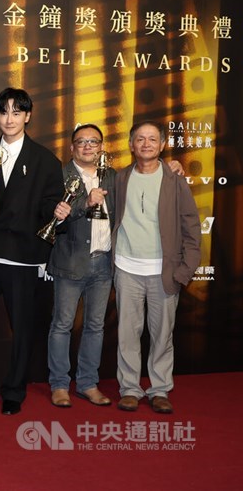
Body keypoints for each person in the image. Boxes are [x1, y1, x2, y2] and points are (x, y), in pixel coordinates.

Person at [0, 87, 62, 415]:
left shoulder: (45, 160)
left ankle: (14, 389)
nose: (9, 118)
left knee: (21, 328)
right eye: (3, 112)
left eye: (16, 112)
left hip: (24, 257)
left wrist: (59, 212)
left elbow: (51, 204)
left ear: (27, 116)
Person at [113, 121, 200, 414]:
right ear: (131, 144)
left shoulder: (174, 179)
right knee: (127, 334)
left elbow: (191, 226)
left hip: (164, 272)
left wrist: (184, 271)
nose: (146, 144)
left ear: (161, 145)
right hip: (126, 269)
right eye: (140, 139)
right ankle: (130, 389)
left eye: (152, 139)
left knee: (162, 335)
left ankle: (160, 389)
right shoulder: (120, 178)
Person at [47, 124, 116, 408]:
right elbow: (53, 218)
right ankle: (59, 384)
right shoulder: (59, 176)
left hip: (104, 262)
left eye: (93, 142)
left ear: (101, 146)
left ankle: (88, 383)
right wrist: (84, 204)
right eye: (81, 142)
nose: (88, 146)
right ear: (72, 147)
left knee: (95, 326)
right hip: (70, 262)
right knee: (62, 325)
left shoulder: (112, 176)